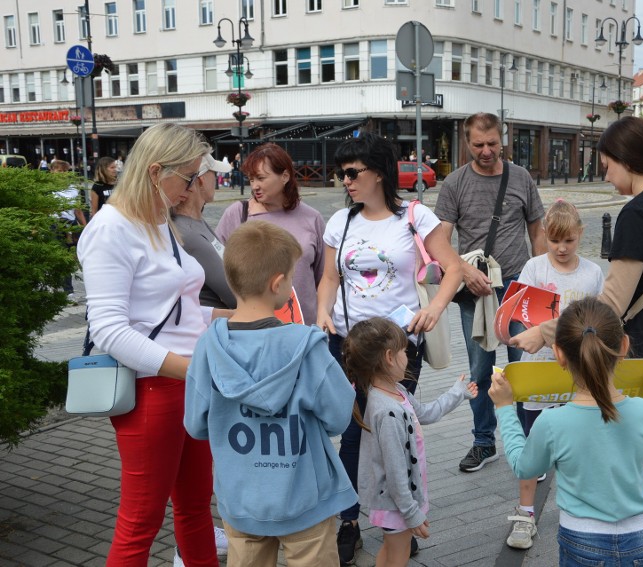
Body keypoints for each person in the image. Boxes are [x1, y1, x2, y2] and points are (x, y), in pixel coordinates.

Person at [510, 116, 643, 567]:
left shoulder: (641, 212)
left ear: (628, 161)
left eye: (607, 164)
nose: (605, 174)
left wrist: (544, 332)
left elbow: (607, 307)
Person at [77, 123, 233, 566]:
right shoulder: (111, 229)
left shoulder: (160, 222)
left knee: (195, 507)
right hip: (153, 389)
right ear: (155, 170)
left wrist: (235, 319)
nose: (190, 189)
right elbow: (109, 329)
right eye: (186, 178)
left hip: (189, 381)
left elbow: (178, 310)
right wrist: (192, 369)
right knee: (141, 520)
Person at [316, 132, 463, 564]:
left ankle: (400, 518)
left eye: (351, 172)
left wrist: (436, 307)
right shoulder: (339, 223)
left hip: (397, 346)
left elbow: (452, 268)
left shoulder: (414, 217)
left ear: (378, 172)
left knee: (396, 431)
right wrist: (322, 312)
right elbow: (329, 278)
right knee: (350, 436)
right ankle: (348, 522)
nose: (345, 181)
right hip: (347, 347)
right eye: (341, 173)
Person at [184, 221, 357, 567]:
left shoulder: (208, 346)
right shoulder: (307, 348)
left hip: (242, 500)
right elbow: (339, 418)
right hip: (306, 498)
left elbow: (195, 425)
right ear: (278, 284)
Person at [490, 297, 643, 566]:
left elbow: (523, 467)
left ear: (559, 354)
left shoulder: (552, 422)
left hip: (583, 539)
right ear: (623, 346)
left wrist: (505, 407)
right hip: (642, 537)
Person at [433, 112, 546, 474]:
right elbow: (439, 242)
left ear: (503, 139)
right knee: (480, 370)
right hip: (475, 288)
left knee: (524, 366)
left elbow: (537, 231)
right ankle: (484, 441)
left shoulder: (521, 178)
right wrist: (464, 272)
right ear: (467, 143)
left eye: (492, 144)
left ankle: (532, 444)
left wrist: (545, 280)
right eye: (478, 145)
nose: (486, 151)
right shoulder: (454, 184)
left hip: (519, 285)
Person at [505, 200, 603, 551]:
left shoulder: (592, 274)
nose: (561, 249)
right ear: (545, 235)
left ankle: (582, 510)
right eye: (555, 241)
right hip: (539, 371)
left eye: (569, 241)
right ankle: (526, 512)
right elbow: (522, 312)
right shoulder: (534, 267)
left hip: (577, 376)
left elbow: (598, 321)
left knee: (579, 445)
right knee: (533, 447)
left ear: (581, 235)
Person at [344, 317, 477, 567]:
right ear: (389, 357)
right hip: (396, 503)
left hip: (397, 501)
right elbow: (395, 472)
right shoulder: (387, 411)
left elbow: (426, 413)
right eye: (405, 350)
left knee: (392, 549)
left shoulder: (397, 391)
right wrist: (411, 514)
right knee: (399, 555)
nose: (409, 355)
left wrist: (457, 393)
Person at [216, 143, 326, 325]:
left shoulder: (312, 218)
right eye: (251, 180)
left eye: (261, 178)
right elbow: (218, 268)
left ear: (284, 176)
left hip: (304, 330)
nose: (255, 186)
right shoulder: (238, 214)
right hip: (253, 329)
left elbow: (323, 278)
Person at [172, 153, 236, 309]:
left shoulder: (195, 221)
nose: (216, 178)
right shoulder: (187, 231)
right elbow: (236, 294)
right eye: (213, 173)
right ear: (201, 179)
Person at [49, 159, 87, 300]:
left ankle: (68, 290)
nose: (63, 174)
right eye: (59, 171)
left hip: (70, 226)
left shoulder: (73, 188)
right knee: (57, 256)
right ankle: (57, 286)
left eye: (65, 171)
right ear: (52, 172)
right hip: (53, 225)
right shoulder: (48, 189)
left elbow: (78, 210)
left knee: (69, 257)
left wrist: (85, 227)